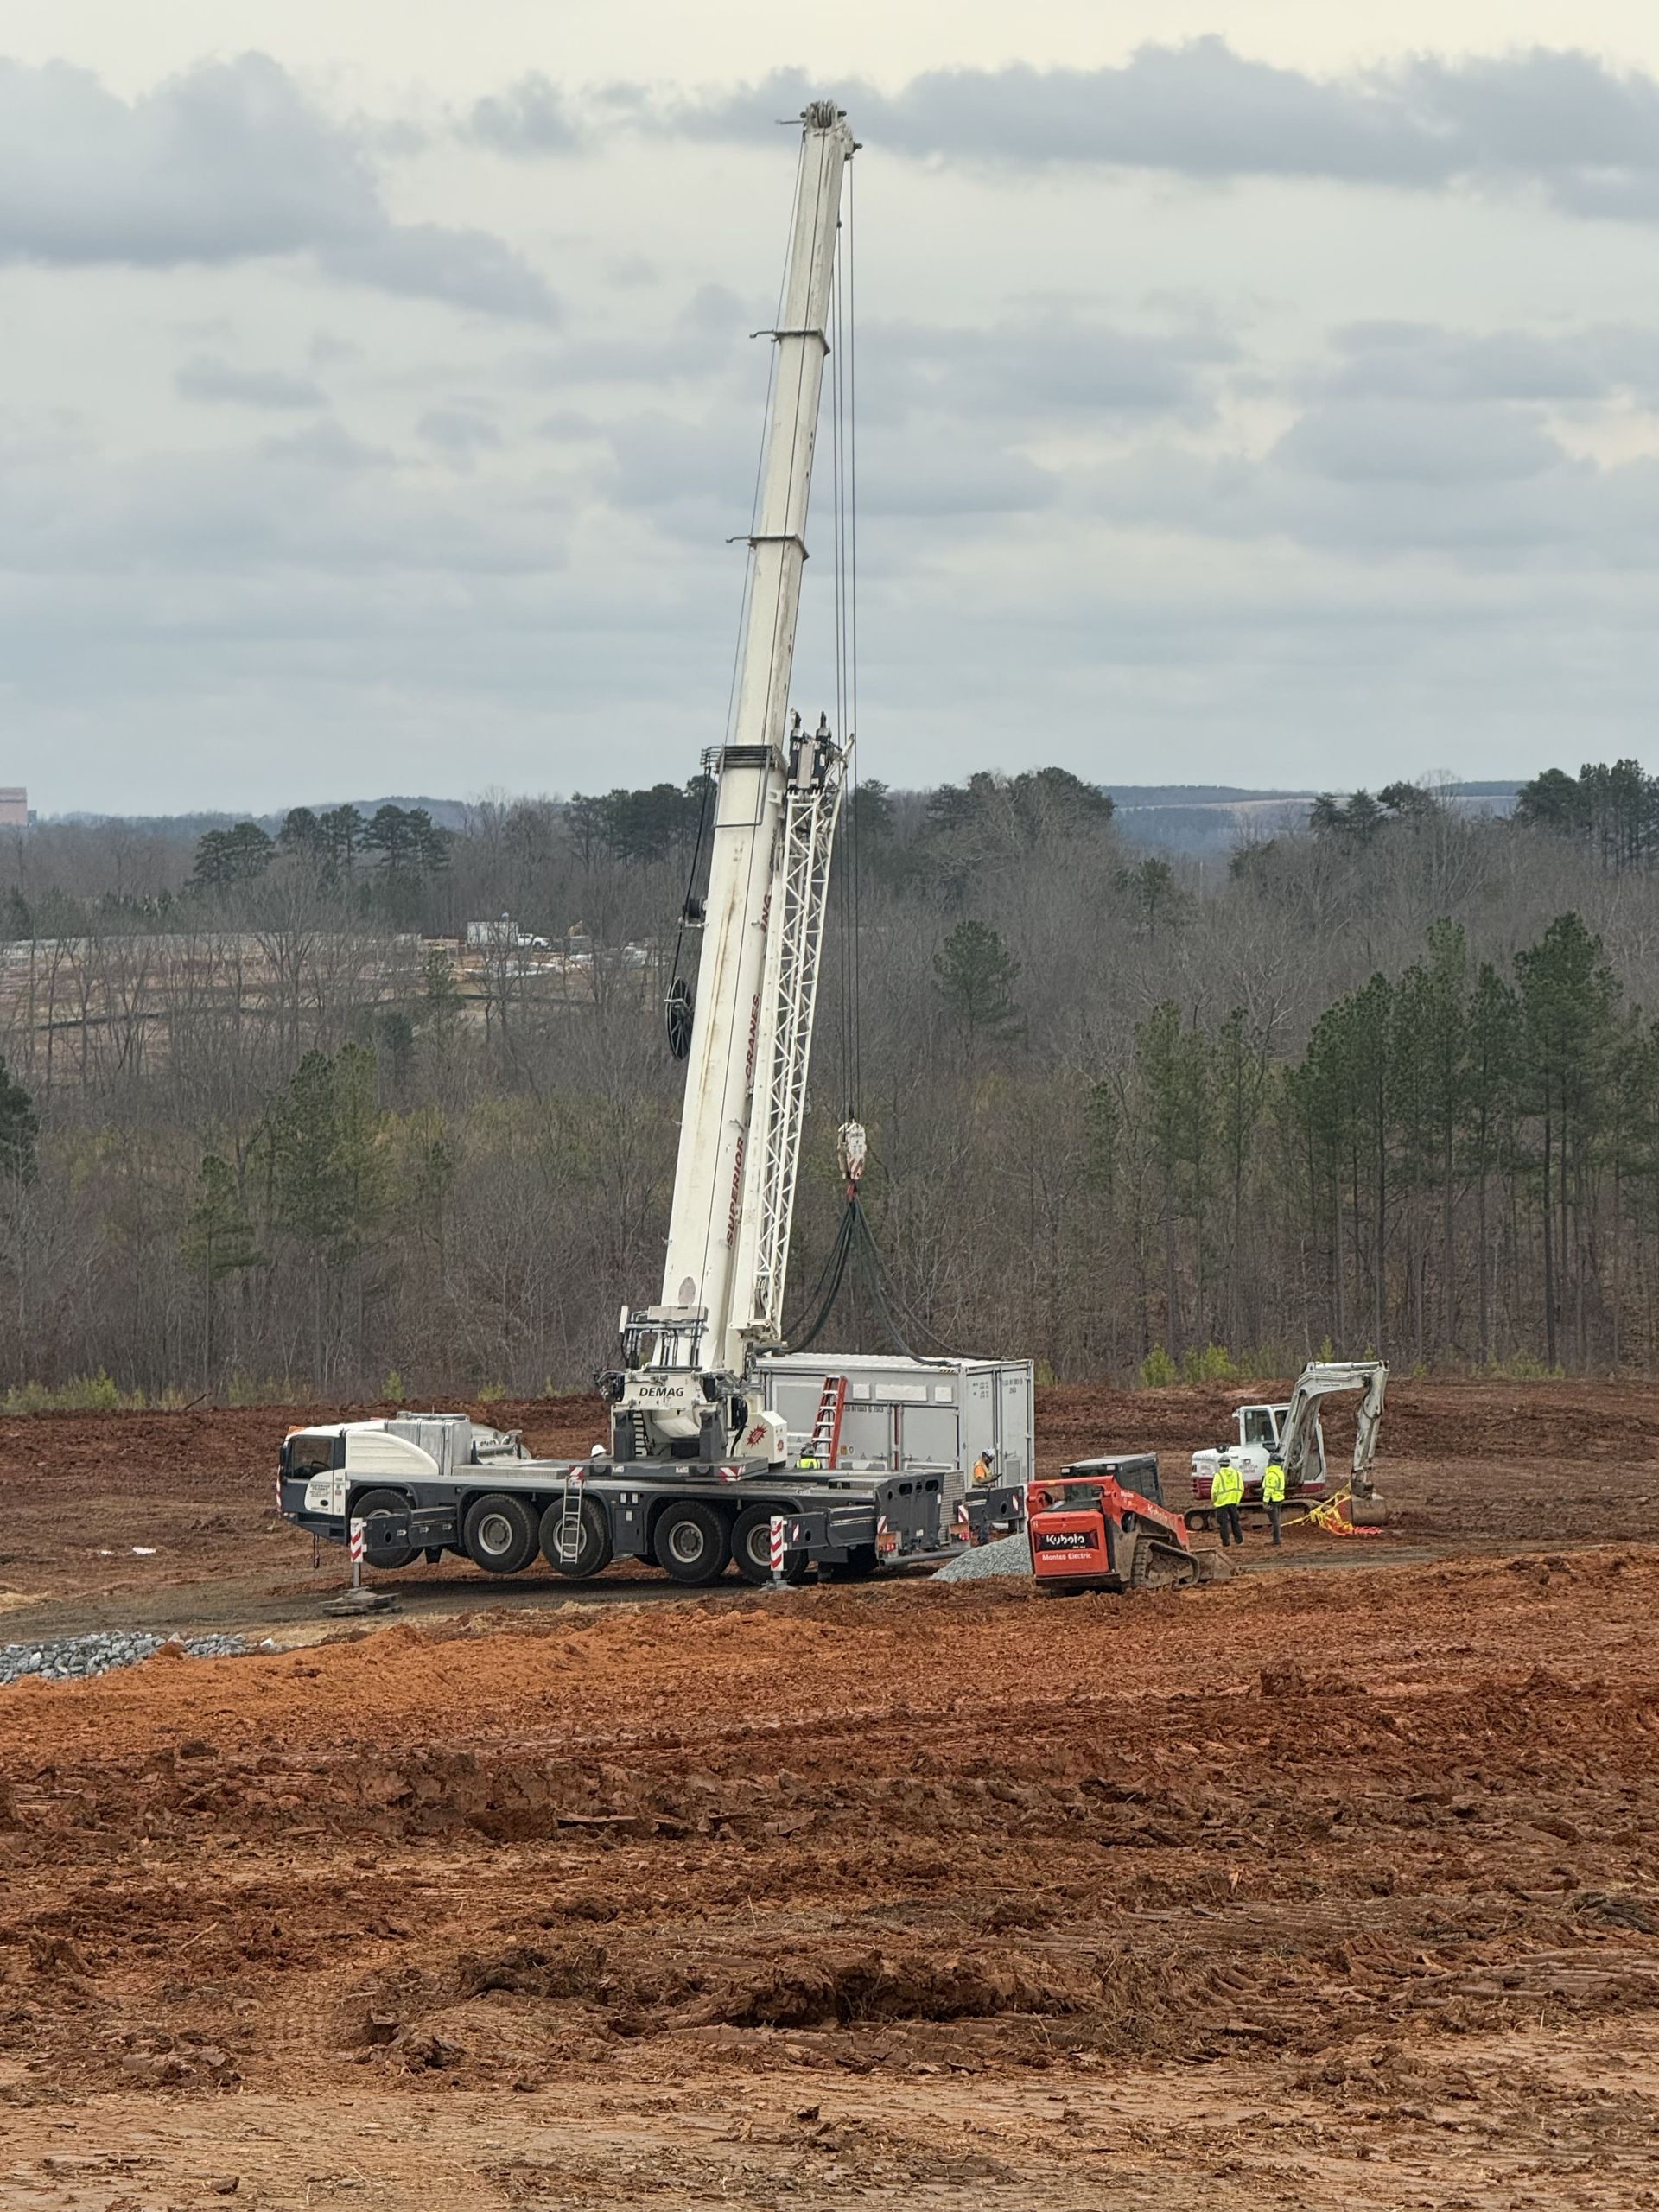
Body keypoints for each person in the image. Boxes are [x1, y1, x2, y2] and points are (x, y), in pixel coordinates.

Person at [1211, 1452, 1244, 1548]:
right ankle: (1239, 1540)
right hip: (1233, 1501)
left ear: (1220, 1464)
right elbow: (1241, 1488)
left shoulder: (1219, 1476)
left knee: (1223, 1523)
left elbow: (1214, 1491)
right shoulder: (1237, 1474)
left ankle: (1226, 1543)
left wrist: (1214, 1501)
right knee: (1235, 1521)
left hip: (1221, 1503)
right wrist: (1237, 1499)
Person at [1262, 1453, 1287, 1548]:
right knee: (1277, 1520)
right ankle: (1277, 1539)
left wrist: (1265, 1501)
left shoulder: (1271, 1474)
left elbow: (1269, 1489)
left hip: (1273, 1499)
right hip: (1279, 1498)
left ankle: (1276, 1541)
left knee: (1274, 1521)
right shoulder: (1279, 1472)